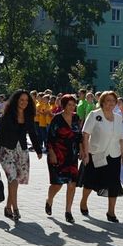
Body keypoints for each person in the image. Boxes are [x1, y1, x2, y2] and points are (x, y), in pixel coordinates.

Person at [0, 90, 42, 221]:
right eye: (21, 100)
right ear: (16, 101)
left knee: (15, 182)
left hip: (21, 152)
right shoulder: (7, 116)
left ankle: (8, 207)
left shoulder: (28, 115)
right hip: (6, 151)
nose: (24, 103)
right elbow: (1, 135)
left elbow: (33, 133)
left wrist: (38, 150)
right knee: (13, 179)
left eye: (26, 100)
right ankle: (15, 209)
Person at [80, 91, 123, 222]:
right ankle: (83, 202)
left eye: (113, 101)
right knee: (90, 182)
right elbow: (85, 134)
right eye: (108, 101)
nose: (110, 103)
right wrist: (86, 153)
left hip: (114, 156)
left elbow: (121, 138)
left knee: (113, 184)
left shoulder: (118, 117)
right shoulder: (94, 115)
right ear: (102, 102)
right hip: (96, 154)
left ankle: (111, 212)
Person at [45, 94, 82, 224]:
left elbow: (79, 137)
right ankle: (49, 200)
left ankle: (68, 211)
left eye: (73, 105)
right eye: (69, 105)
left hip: (72, 156)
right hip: (58, 155)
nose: (72, 107)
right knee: (57, 184)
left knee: (72, 184)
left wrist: (82, 150)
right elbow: (50, 138)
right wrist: (52, 153)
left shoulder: (76, 118)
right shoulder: (57, 119)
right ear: (64, 105)